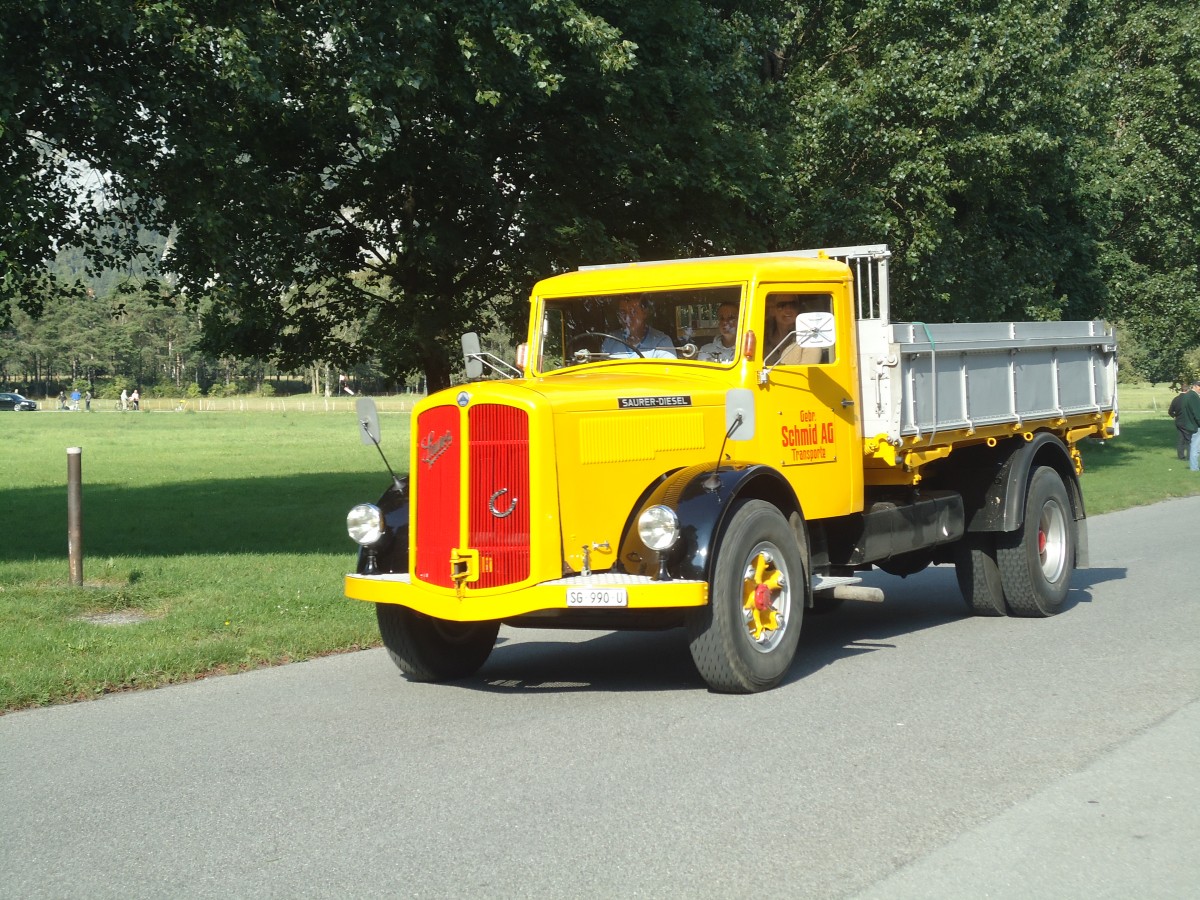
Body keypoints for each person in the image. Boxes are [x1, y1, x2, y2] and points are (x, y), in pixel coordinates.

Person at [600, 296, 676, 358]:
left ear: (644, 313)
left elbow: (668, 372)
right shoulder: (610, 340)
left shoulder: (661, 342)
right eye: (623, 312)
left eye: (633, 312)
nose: (627, 318)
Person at [764, 294, 827, 365]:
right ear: (772, 311)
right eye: (782, 305)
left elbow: (806, 372)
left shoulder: (809, 339)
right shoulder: (762, 338)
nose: (788, 310)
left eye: (793, 305)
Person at [1178, 379, 1200, 472]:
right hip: (1195, 425)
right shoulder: (1193, 396)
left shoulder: (1187, 396)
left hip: (1189, 424)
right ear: (1195, 386)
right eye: (1199, 386)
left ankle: (1194, 467)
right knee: (1195, 447)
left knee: (1195, 446)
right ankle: (1194, 468)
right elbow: (1197, 414)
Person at [1168, 385, 1193, 460]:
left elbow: (1170, 411)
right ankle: (1189, 456)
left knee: (1181, 439)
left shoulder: (1176, 399)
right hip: (1187, 422)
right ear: (1187, 390)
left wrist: (1175, 416)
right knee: (1189, 439)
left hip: (1178, 422)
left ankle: (1181, 456)